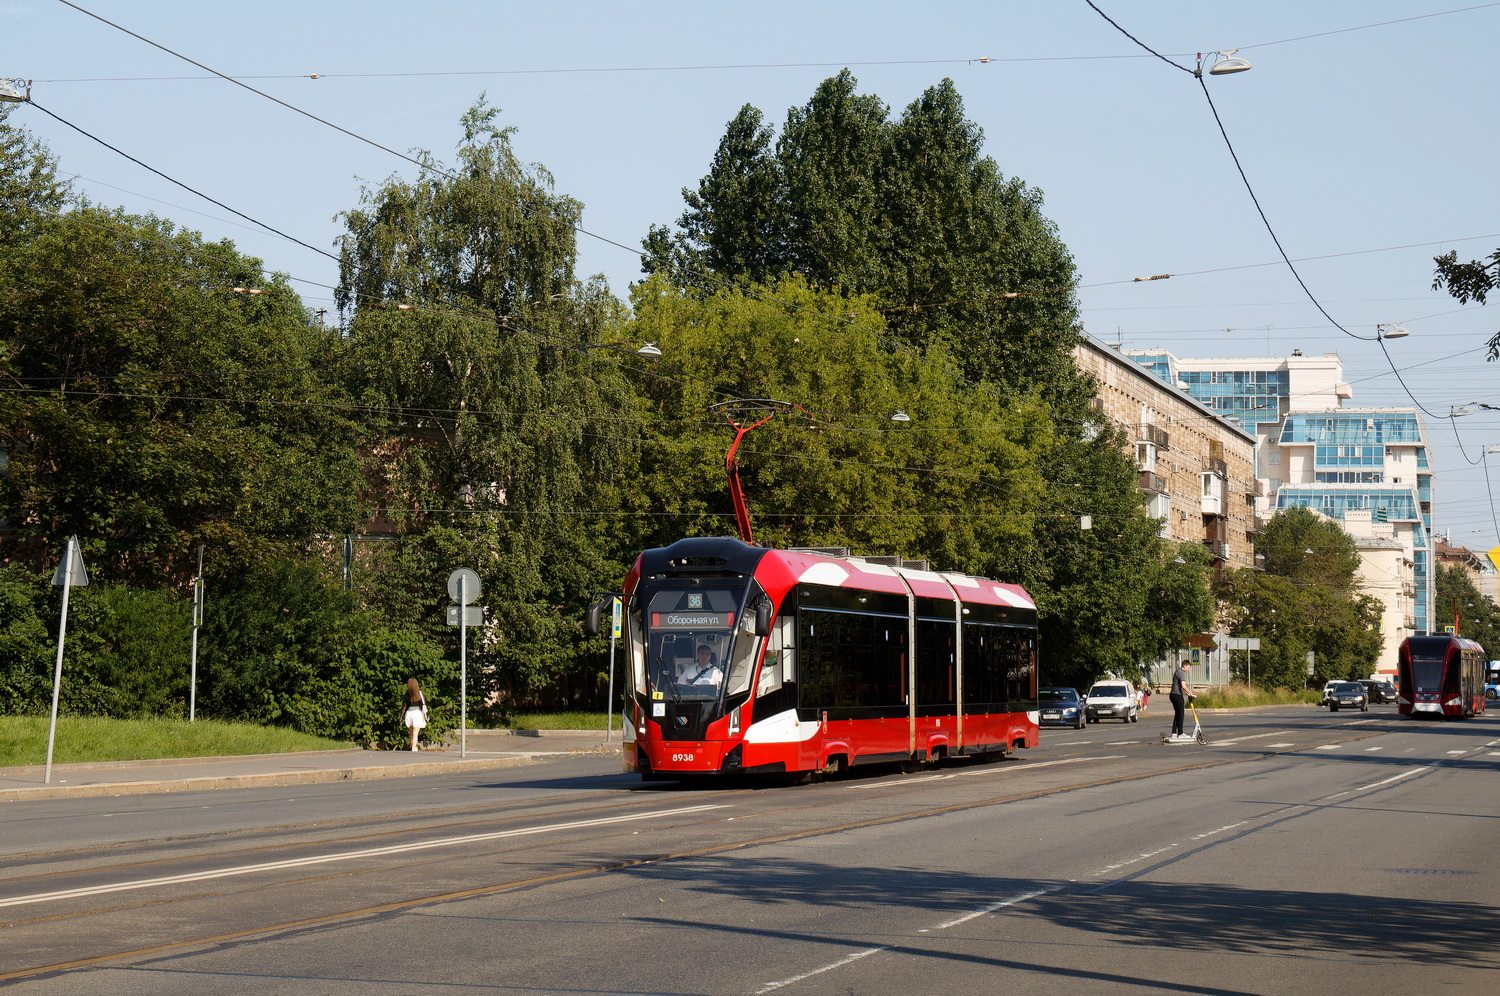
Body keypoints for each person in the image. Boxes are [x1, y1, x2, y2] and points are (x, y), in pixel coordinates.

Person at [401, 677, 430, 752]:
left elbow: (404, 707)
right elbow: (424, 706)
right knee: (415, 733)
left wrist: (401, 718)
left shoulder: (406, 695)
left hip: (409, 714)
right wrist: (427, 715)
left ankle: (412, 747)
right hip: (417, 714)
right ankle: (413, 748)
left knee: (411, 733)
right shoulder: (420, 694)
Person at [1170, 660, 1194, 738]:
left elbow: (1181, 688)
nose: (1189, 669)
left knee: (1177, 713)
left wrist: (1189, 694)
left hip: (1172, 695)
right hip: (1177, 695)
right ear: (1184, 666)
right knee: (1181, 714)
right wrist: (1190, 693)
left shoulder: (1177, 671)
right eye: (1188, 667)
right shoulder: (1182, 673)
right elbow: (1183, 686)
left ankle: (1174, 732)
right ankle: (1180, 733)